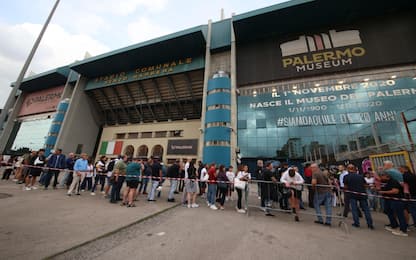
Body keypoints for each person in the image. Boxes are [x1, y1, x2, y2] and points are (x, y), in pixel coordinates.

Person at [344, 164, 374, 229]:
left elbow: (345, 186)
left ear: (348, 169)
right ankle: (370, 224)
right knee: (366, 209)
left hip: (352, 195)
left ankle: (356, 223)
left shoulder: (346, 177)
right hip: (362, 194)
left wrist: (347, 191)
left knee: (354, 209)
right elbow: (365, 185)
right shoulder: (360, 176)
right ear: (354, 169)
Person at [378, 170, 408, 236]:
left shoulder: (393, 181)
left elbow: (395, 191)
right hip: (390, 200)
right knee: (390, 212)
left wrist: (383, 192)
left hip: (397, 200)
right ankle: (394, 225)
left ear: (385, 176)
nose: (380, 178)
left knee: (400, 215)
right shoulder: (387, 182)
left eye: (381, 176)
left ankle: (403, 230)